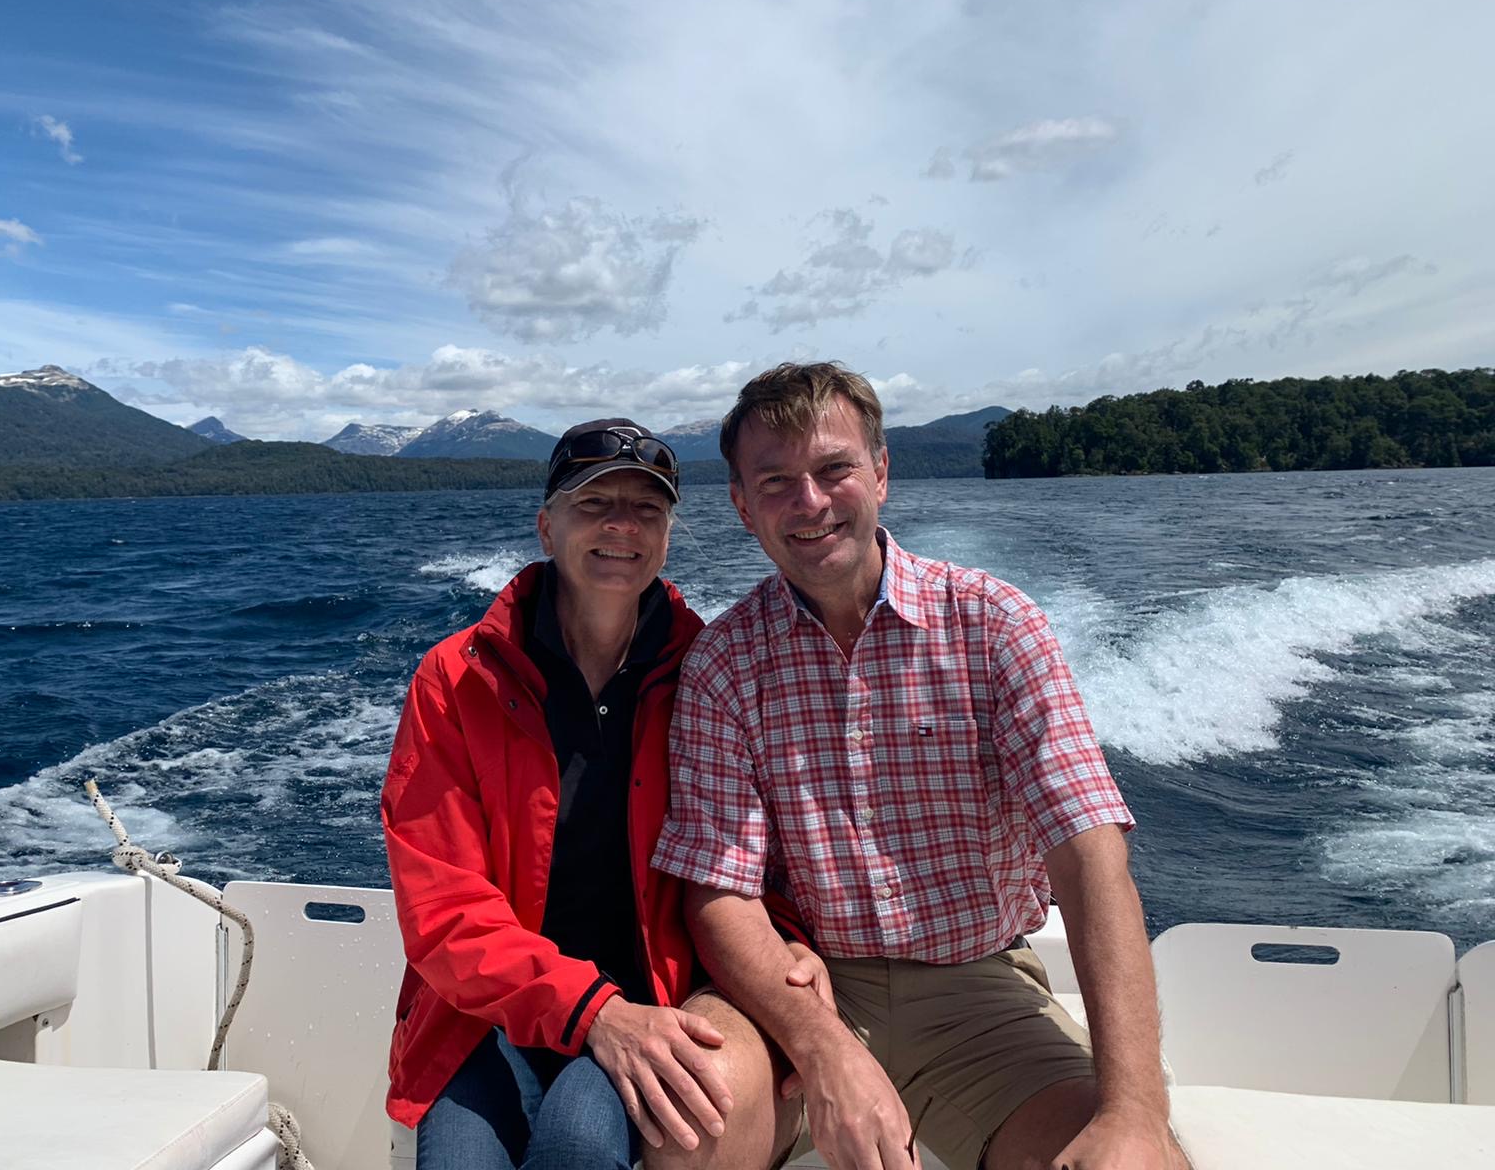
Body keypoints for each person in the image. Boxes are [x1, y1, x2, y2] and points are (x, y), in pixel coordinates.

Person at [651, 364, 1191, 1170]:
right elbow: (719, 891)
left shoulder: (994, 626)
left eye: (833, 468)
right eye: (775, 482)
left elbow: (1089, 857)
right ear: (741, 505)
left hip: (978, 991)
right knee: (689, 1123)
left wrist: (1135, 1111)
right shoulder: (724, 662)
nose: (809, 501)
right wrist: (823, 1047)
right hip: (803, 985)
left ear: (880, 473)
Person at [380, 418, 827, 1170]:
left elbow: (765, 847)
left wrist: (790, 940)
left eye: (647, 508)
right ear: (546, 527)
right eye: (594, 504)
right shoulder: (456, 681)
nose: (622, 525)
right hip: (489, 1010)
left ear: (667, 536)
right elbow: (443, 908)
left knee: (577, 1148)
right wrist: (591, 1012)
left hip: (654, 994)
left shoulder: (707, 673)